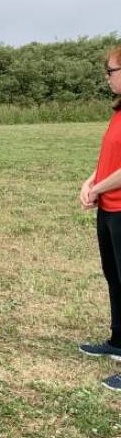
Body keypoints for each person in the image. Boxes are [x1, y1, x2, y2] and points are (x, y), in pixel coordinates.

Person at [79, 45, 121, 391]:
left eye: (111, 71)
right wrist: (91, 182)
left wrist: (98, 187)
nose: (107, 78)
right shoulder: (118, 112)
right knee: (114, 276)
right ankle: (118, 340)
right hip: (109, 207)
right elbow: (109, 155)